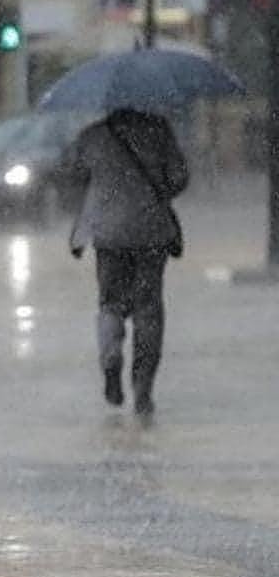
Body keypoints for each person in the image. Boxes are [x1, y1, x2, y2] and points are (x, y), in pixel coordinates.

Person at [68, 108, 187, 419]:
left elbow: (75, 178)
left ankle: (110, 357)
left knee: (111, 304)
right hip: (150, 232)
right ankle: (143, 388)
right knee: (148, 308)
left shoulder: (92, 135)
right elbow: (179, 178)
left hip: (108, 235)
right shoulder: (158, 129)